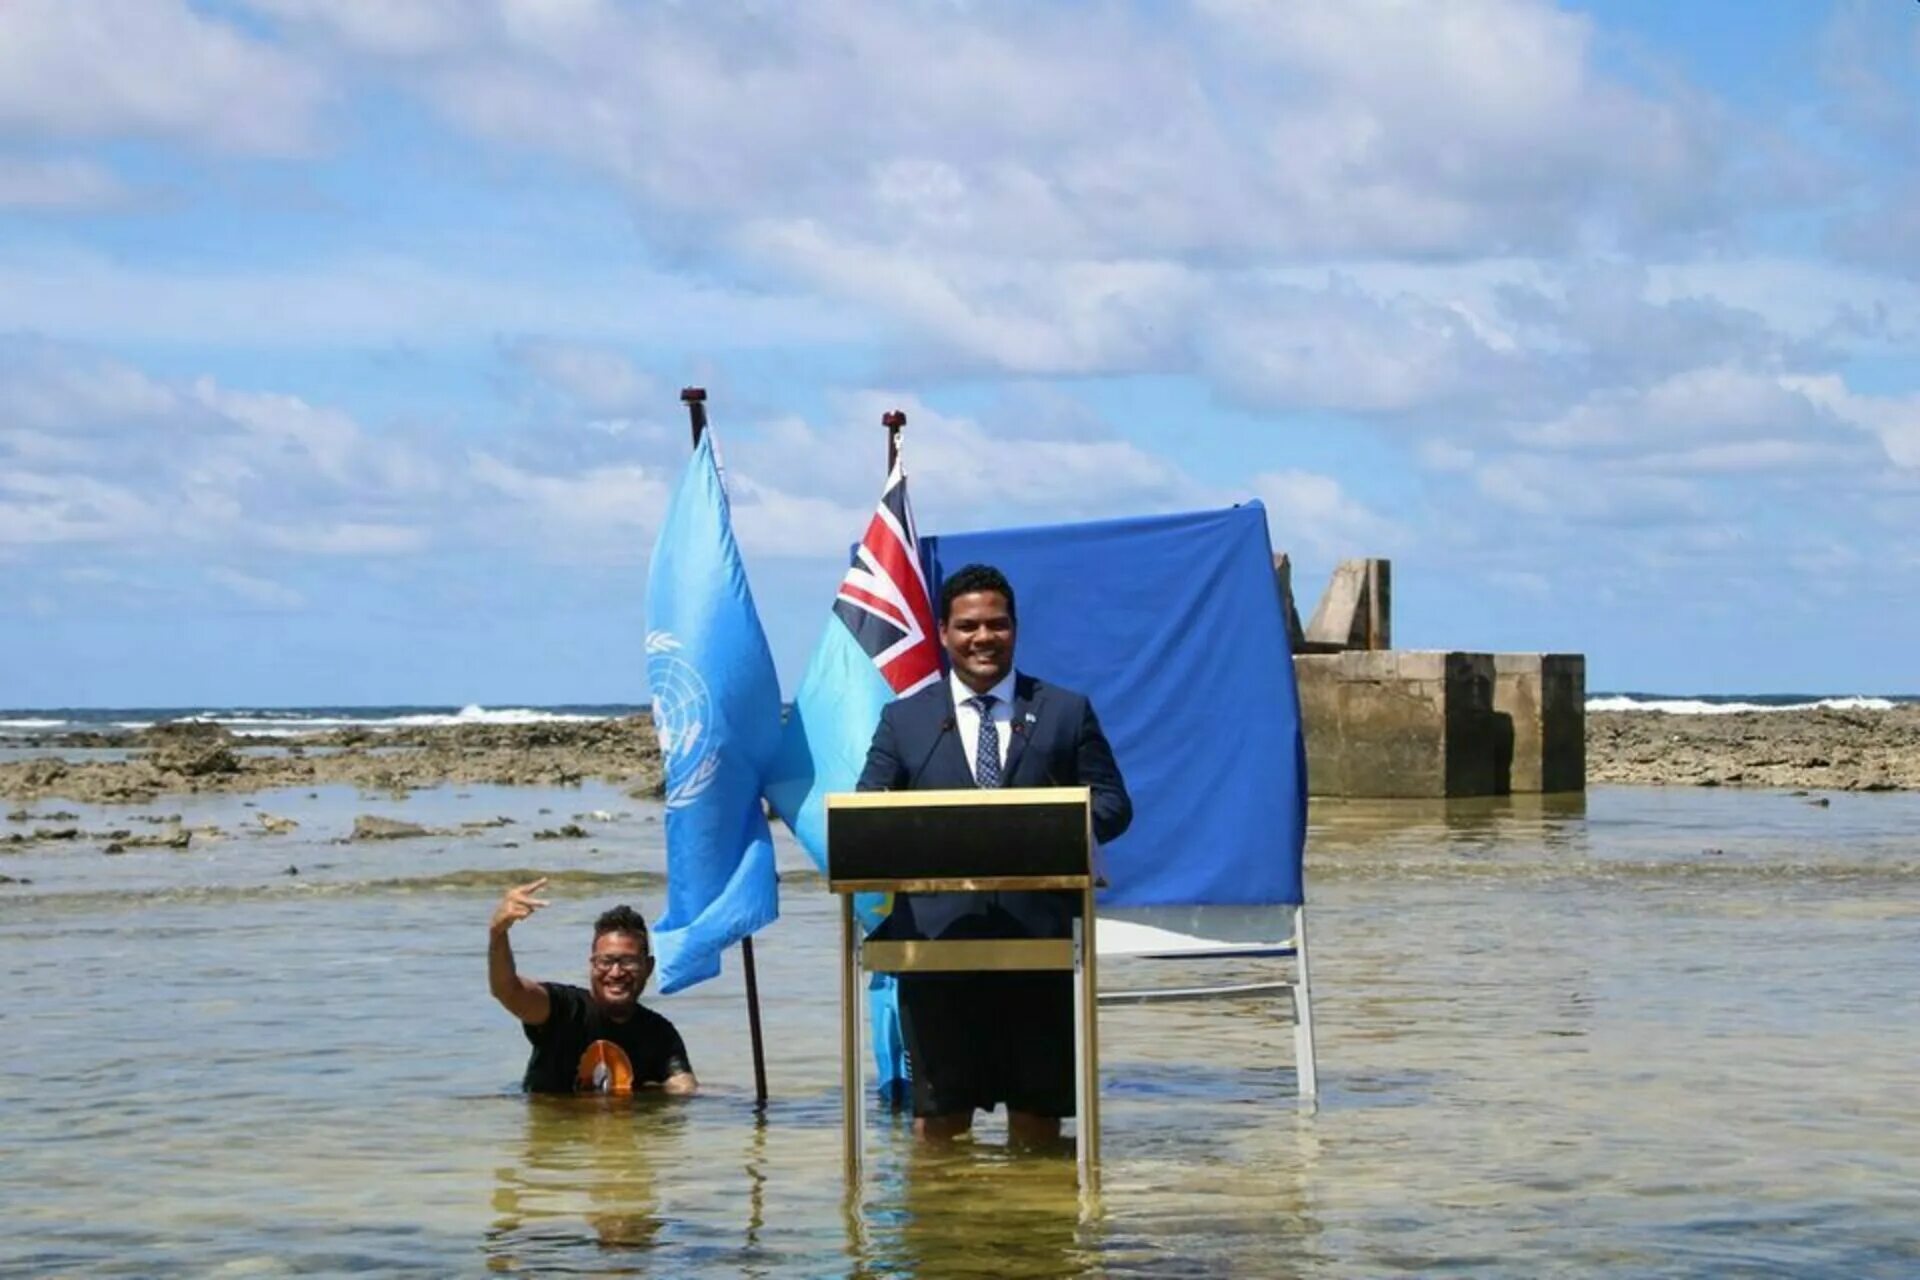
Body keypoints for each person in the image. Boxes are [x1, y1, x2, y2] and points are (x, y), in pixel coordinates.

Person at [857, 562, 1132, 1144]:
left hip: (1040, 944)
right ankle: (944, 1233)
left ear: (1015, 629)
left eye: (997, 625)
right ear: (943, 633)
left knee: (1037, 1121)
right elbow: (868, 810)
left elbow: (1112, 804)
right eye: (968, 626)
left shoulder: (1063, 710)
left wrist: (1046, 833)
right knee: (938, 1122)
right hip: (933, 947)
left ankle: (1029, 1234)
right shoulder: (905, 720)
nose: (983, 637)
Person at [488, 878, 697, 1096]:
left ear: (649, 967)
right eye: (606, 961)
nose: (616, 973)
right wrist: (498, 933)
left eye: (629, 962)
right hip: (556, 1125)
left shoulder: (659, 1034)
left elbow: (684, 1090)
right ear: (592, 965)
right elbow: (507, 991)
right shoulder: (563, 1010)